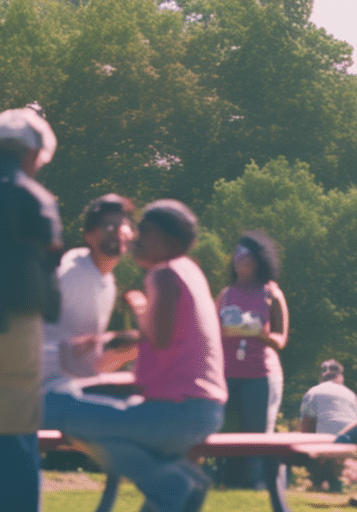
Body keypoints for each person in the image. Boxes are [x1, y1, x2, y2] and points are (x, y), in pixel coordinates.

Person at [44, 199, 228, 512]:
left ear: (173, 242)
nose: (135, 237)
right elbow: (167, 350)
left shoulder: (164, 275)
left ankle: (170, 481)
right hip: (199, 411)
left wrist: (111, 336)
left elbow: (157, 338)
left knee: (54, 406)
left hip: (177, 415)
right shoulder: (190, 272)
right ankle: (181, 481)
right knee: (107, 434)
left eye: (145, 231)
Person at [0, 107, 63, 511]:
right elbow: (49, 266)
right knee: (17, 431)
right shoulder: (34, 198)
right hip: (17, 327)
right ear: (31, 152)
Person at [42, 193, 136, 394]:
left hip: (74, 378)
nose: (118, 230)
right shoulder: (72, 273)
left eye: (123, 225)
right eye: (109, 225)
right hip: (47, 385)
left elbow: (87, 354)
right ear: (89, 236)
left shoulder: (107, 281)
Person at [217, 231, 289, 488]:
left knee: (255, 434)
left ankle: (256, 485)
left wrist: (262, 334)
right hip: (227, 373)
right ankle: (229, 483)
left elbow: (281, 340)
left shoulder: (271, 292)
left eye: (244, 254)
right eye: (235, 253)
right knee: (228, 432)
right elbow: (210, 332)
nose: (237, 258)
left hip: (260, 374)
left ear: (258, 260)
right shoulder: (226, 294)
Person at [300, 359, 357, 491]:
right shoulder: (351, 395)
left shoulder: (313, 392)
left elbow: (306, 426)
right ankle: (334, 482)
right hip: (349, 444)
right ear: (340, 377)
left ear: (322, 376)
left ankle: (319, 481)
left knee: (312, 444)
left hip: (324, 446)